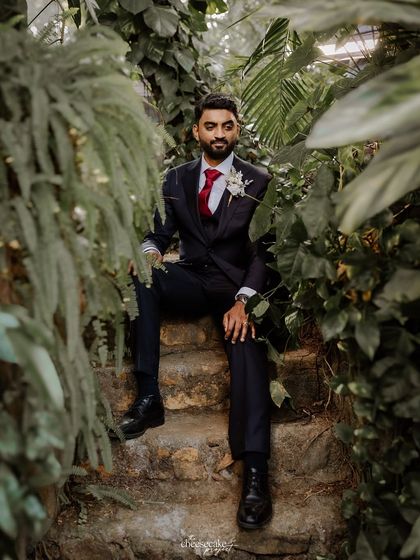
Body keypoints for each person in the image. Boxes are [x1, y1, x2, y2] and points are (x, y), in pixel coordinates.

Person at [114, 92, 272, 529]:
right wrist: (148, 253)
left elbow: (261, 253)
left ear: (237, 129)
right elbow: (158, 233)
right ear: (196, 131)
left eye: (227, 126)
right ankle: (149, 399)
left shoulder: (258, 180)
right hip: (189, 277)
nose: (219, 134)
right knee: (142, 275)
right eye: (211, 126)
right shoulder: (176, 179)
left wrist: (243, 301)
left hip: (232, 286)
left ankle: (256, 471)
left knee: (246, 349)